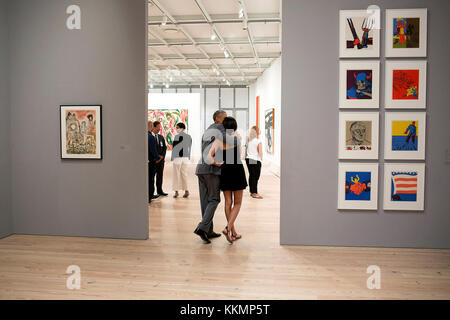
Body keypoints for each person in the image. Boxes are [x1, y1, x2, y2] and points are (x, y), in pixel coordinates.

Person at [193, 110, 234, 244]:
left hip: (201, 169)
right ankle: (202, 227)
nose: (226, 120)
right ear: (217, 119)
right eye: (225, 118)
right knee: (214, 199)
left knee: (206, 201)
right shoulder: (220, 128)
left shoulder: (208, 130)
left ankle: (208, 230)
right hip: (212, 169)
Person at [207, 117, 248, 244]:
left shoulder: (219, 140)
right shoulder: (237, 137)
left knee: (228, 202)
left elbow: (208, 157)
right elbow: (240, 154)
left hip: (225, 171)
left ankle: (233, 233)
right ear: (235, 126)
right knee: (238, 203)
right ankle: (228, 228)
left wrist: (216, 163)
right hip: (237, 170)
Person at [171, 123, 192, 198]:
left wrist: (172, 158)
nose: (176, 129)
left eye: (177, 128)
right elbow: (189, 148)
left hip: (177, 158)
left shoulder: (177, 136)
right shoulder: (189, 137)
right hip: (185, 158)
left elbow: (174, 148)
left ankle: (176, 192)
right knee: (184, 175)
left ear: (181, 128)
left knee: (176, 175)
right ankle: (186, 190)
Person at [245, 126, 263, 199]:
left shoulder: (249, 140)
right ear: (257, 131)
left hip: (248, 159)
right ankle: (254, 193)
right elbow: (260, 153)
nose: (260, 130)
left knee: (252, 176)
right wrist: (261, 159)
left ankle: (252, 192)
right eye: (259, 129)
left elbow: (246, 151)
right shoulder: (258, 141)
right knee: (256, 177)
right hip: (255, 160)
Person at [148, 121, 163, 203]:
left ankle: (149, 194)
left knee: (148, 179)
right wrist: (158, 157)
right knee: (151, 179)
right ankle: (149, 196)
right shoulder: (150, 137)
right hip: (151, 162)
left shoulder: (144, 135)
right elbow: (153, 151)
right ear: (151, 126)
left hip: (146, 162)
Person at [153, 121, 168, 197]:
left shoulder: (161, 137)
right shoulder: (150, 137)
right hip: (153, 161)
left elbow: (164, 148)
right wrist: (156, 158)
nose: (159, 129)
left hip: (161, 161)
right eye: (158, 127)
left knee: (160, 176)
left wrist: (162, 157)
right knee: (152, 177)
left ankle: (160, 191)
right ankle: (151, 193)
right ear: (154, 127)